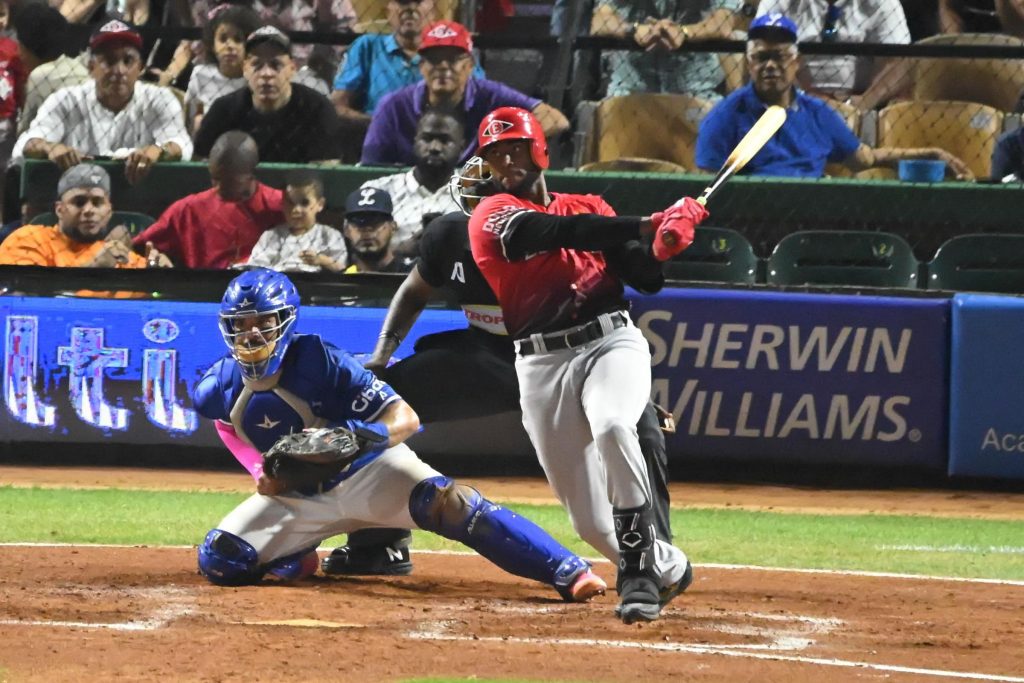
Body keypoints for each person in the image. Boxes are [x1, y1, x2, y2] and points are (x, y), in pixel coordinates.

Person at [190, 267, 608, 606]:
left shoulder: (321, 361)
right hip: (298, 492)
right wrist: (257, 468)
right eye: (240, 324)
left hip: (369, 472)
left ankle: (567, 570)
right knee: (223, 561)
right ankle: (296, 556)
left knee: (452, 505)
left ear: (287, 321)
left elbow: (404, 418)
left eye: (263, 322)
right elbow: (228, 425)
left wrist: (355, 438)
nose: (252, 335)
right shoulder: (217, 386)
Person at [322, 204, 679, 581]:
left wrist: (629, 393)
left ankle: (658, 558)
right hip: (484, 361)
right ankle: (380, 545)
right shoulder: (451, 234)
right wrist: (381, 356)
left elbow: (628, 294)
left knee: (642, 431)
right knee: (377, 403)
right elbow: (414, 291)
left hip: (564, 361)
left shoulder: (562, 231)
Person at [467, 106, 705, 623]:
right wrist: (648, 222)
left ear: (540, 150)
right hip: (540, 365)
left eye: (515, 147)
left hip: (610, 344)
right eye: (494, 153)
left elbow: (645, 279)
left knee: (616, 425)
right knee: (591, 523)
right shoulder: (490, 216)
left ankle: (638, 576)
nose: (506, 159)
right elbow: (556, 233)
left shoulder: (591, 204)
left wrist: (665, 244)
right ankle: (667, 567)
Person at [695, 14, 973, 179]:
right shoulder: (725, 117)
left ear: (797, 63)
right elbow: (707, 182)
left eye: (779, 57)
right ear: (749, 63)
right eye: (761, 58)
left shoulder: (818, 113)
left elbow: (865, 158)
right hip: (749, 221)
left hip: (809, 220)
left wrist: (930, 153)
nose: (770, 66)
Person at [360, 20, 569, 166]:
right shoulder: (394, 105)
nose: (443, 67)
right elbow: (371, 164)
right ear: (421, 66)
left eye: (452, 59)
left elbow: (556, 121)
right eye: (434, 59)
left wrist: (500, 146)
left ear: (470, 66)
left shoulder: (491, 95)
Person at [12, 19, 192, 184]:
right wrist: (49, 148)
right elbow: (24, 145)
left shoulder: (159, 99)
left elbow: (182, 145)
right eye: (109, 60)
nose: (119, 70)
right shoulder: (66, 99)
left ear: (141, 68)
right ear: (91, 67)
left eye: (128, 60)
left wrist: (159, 150)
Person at [132, 131, 284, 268]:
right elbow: (140, 248)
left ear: (251, 174)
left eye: (230, 182)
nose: (219, 188)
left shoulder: (280, 206)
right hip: (203, 290)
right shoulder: (189, 209)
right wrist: (157, 257)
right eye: (215, 179)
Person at [193, 25, 343, 163]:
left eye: (276, 65)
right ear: (245, 69)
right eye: (257, 65)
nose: (266, 73)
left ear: (292, 68)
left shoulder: (317, 109)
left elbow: (328, 171)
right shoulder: (224, 110)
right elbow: (199, 166)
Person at [0, 163, 171, 268]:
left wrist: (159, 281)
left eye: (97, 202)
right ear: (59, 209)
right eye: (79, 202)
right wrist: (95, 269)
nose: (89, 210)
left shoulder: (123, 257)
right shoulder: (30, 239)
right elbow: (24, 305)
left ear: (109, 210)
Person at [755, 0, 912, 110]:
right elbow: (764, 52)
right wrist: (804, 98)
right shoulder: (781, 1)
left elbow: (899, 64)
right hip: (793, 100)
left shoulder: (882, 2)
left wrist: (860, 104)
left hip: (863, 104)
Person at [590, 0, 745, 100]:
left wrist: (685, 32)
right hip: (630, 88)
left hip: (697, 90)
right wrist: (633, 30)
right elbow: (600, 20)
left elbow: (723, 22)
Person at [360, 109, 463, 253]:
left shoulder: (478, 194)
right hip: (392, 274)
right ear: (415, 142)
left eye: (445, 140)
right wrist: (400, 251)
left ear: (461, 147)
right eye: (427, 139)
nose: (435, 147)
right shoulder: (377, 191)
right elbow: (358, 250)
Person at [246, 168, 348, 272]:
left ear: (320, 204)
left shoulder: (329, 235)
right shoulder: (272, 236)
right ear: (282, 204)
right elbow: (254, 269)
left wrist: (322, 260)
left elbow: (343, 270)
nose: (296, 210)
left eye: (304, 203)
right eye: (290, 202)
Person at [14, 1, 90, 136]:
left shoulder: (40, 75)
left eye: (20, 45)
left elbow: (24, 131)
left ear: (28, 47)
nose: (19, 53)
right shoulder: (79, 66)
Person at [183, 4, 262, 132]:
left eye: (238, 39)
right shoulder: (201, 75)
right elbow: (193, 115)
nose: (230, 45)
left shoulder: (255, 79)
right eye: (223, 39)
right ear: (212, 44)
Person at [342, 187, 414, 274]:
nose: (367, 229)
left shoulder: (411, 276)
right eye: (358, 223)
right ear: (346, 230)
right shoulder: (339, 281)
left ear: (393, 227)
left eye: (375, 222)